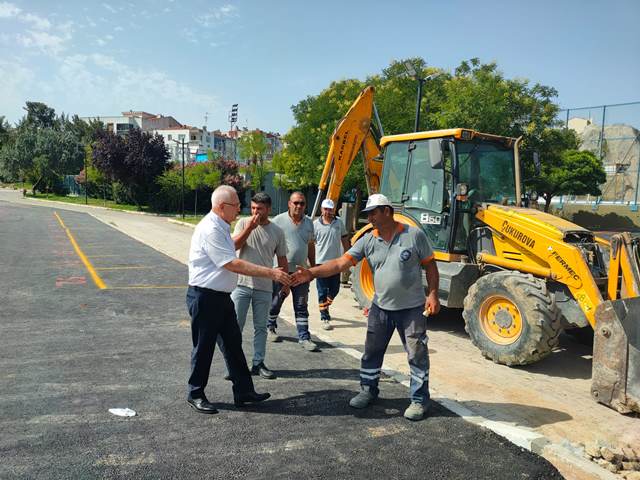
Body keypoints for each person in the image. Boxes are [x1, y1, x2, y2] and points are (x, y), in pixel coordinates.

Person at [292, 193, 440, 421]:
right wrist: (311, 273)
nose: (369, 218)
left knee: (417, 354)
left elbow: (430, 265)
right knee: (371, 352)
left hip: (411, 309)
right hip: (380, 308)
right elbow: (340, 263)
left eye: (373, 213)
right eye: (368, 214)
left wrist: (433, 294)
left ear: (387, 211)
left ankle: (419, 400)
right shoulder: (368, 240)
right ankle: (368, 390)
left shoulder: (414, 235)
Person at [186, 185, 291, 414]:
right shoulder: (210, 229)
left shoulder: (222, 225)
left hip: (221, 298)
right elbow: (231, 263)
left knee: (233, 345)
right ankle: (195, 393)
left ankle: (243, 391)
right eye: (236, 205)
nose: (240, 209)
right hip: (205, 297)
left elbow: (232, 249)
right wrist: (271, 273)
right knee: (203, 348)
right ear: (222, 206)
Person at [217, 192, 288, 380]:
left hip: (264, 286)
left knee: (261, 327)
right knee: (235, 326)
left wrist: (286, 283)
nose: (256, 212)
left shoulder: (277, 231)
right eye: (253, 208)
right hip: (241, 284)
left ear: (268, 209)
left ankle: (258, 363)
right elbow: (233, 246)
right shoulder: (243, 223)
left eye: (260, 209)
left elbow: (282, 258)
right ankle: (233, 365)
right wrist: (249, 228)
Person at [268, 191, 318, 351]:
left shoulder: (309, 223)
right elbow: (271, 245)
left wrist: (313, 268)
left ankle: (304, 337)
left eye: (302, 203)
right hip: (281, 272)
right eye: (296, 203)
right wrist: (271, 269)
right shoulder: (278, 221)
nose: (299, 206)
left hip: (300, 273)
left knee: (301, 304)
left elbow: (310, 246)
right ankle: (270, 327)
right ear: (289, 204)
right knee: (276, 301)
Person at [313, 198, 350, 330]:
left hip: (336, 263)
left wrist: (349, 257)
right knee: (322, 291)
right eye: (326, 209)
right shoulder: (315, 225)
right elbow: (311, 243)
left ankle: (325, 306)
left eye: (330, 209)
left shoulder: (339, 223)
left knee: (335, 290)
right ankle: (325, 317)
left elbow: (345, 239)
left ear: (334, 210)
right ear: (321, 209)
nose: (328, 212)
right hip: (321, 263)